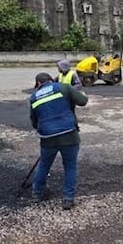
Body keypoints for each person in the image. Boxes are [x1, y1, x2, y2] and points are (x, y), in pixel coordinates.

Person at [28, 72, 88, 210]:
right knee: (70, 166)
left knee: (44, 165)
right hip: (69, 134)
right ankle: (68, 199)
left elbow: (34, 122)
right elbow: (83, 101)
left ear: (38, 84)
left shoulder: (33, 97)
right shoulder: (64, 87)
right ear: (50, 80)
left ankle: (37, 194)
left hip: (47, 137)